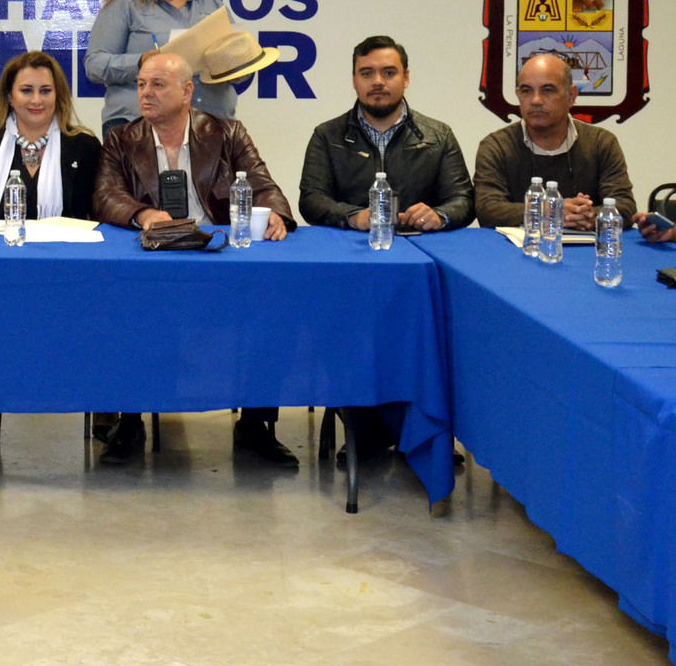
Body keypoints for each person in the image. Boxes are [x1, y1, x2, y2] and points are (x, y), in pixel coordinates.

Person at [93, 52, 297, 466]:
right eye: (141, 84)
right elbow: (105, 195)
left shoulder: (228, 133)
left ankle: (255, 424)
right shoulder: (121, 138)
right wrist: (144, 214)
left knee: (272, 305)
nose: (145, 93)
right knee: (122, 307)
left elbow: (263, 185)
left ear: (187, 91)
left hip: (217, 260)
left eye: (157, 85)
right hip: (154, 263)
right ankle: (129, 423)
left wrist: (275, 212)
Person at [299, 35, 474, 463]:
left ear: (406, 78)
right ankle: (367, 430)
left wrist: (439, 215)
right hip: (353, 270)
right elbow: (311, 200)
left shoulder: (438, 135)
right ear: (354, 80)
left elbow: (464, 200)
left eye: (388, 72)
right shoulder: (328, 136)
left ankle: (424, 430)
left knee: (432, 334)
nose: (378, 81)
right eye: (367, 73)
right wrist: (353, 216)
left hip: (418, 272)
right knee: (356, 332)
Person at [0, 51, 103, 458]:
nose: (36, 100)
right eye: (26, 90)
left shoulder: (84, 146)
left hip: (67, 276)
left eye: (46, 90)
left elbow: (96, 213)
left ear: (59, 95)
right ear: (9, 96)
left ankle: (107, 415)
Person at [85, 0, 237, 139]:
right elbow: (94, 65)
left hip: (210, 124)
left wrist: (234, 62)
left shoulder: (212, 5)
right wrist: (140, 63)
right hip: (138, 126)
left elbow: (240, 70)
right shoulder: (126, 5)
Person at [473, 52, 634, 229]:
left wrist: (589, 216)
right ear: (518, 95)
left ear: (571, 95)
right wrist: (550, 211)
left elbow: (625, 206)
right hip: (518, 245)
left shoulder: (601, 143)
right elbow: (488, 210)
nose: (536, 100)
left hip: (586, 244)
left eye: (548, 90)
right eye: (526, 91)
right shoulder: (496, 146)